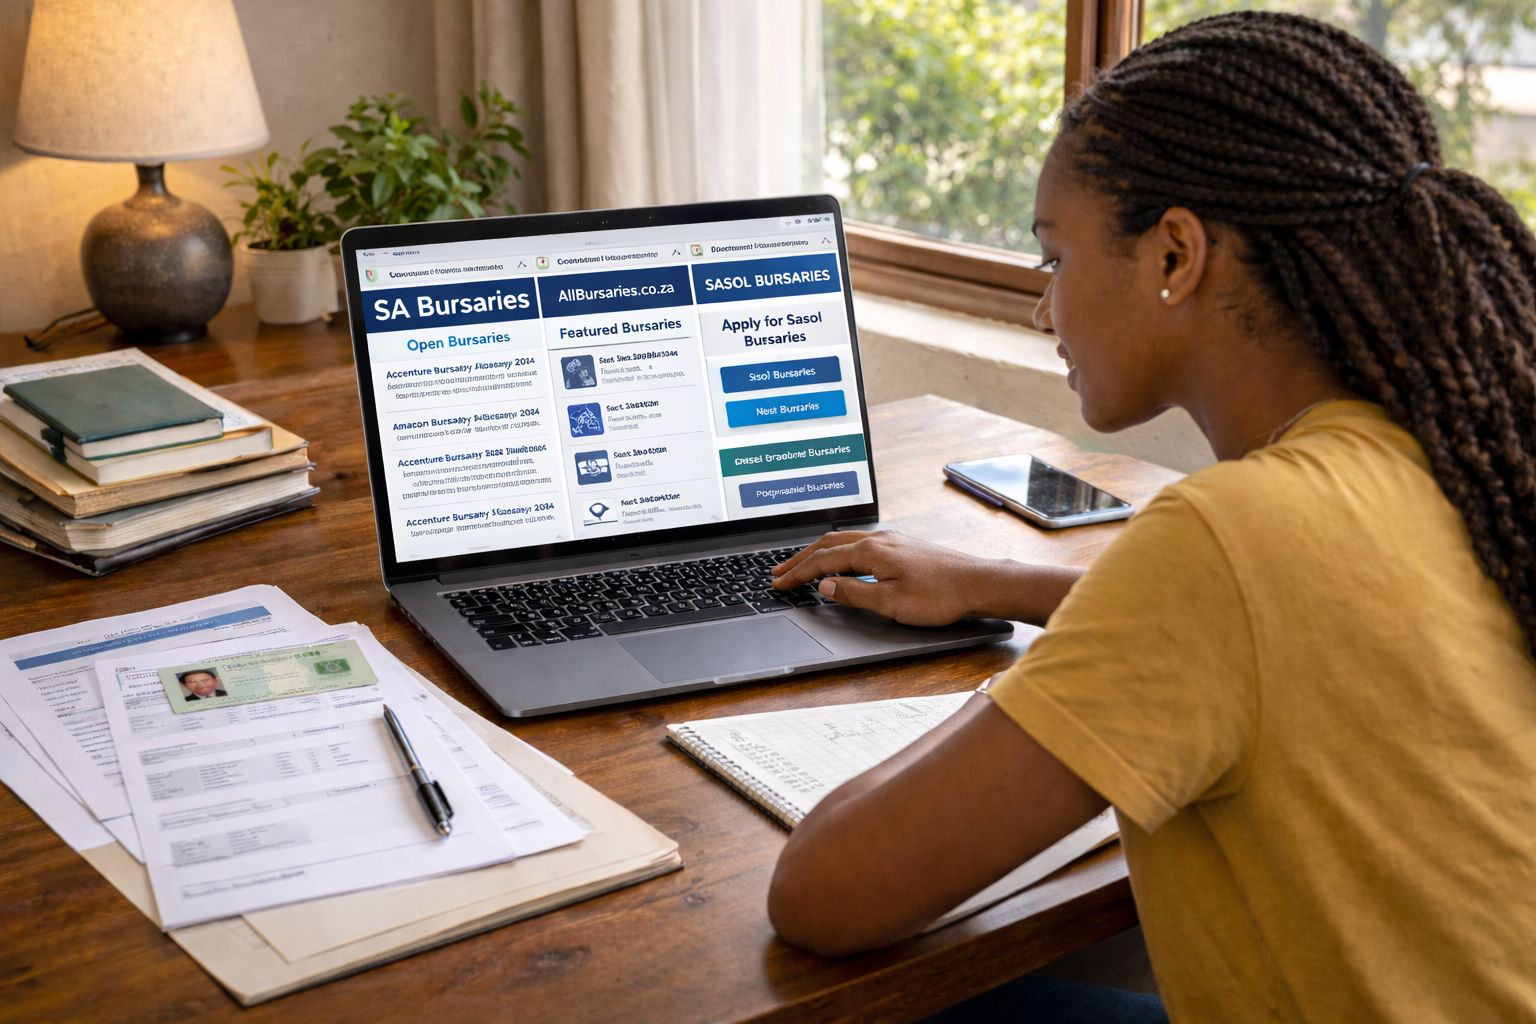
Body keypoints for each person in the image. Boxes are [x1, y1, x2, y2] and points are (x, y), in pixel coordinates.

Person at [766, 11, 1536, 1021]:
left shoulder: (1224, 541)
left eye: (1053, 259)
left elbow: (821, 893)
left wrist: (1056, 677)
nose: (1045, 311)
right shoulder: (1469, 453)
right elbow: (1309, 630)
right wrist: (1006, 582)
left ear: (1175, 253)